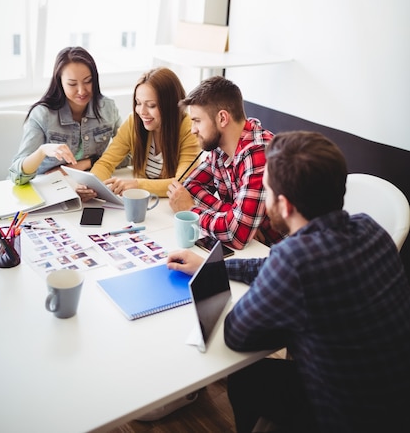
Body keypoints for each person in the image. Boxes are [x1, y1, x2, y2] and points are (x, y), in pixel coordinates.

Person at [167, 131, 410, 433]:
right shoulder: (369, 228)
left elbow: (237, 335)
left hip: (347, 418)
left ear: (284, 205)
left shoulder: (295, 260)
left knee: (247, 377)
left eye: (265, 190)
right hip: (395, 404)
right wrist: (212, 268)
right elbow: (276, 267)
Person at [167, 75, 282, 249]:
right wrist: (231, 214)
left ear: (222, 118)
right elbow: (190, 187)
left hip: (276, 254)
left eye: (197, 121)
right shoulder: (219, 147)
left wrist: (191, 210)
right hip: (254, 249)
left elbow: (236, 235)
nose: (193, 130)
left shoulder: (258, 154)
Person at [79, 67, 200, 200]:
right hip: (142, 202)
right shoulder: (134, 122)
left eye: (151, 105)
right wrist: (91, 185)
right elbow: (106, 163)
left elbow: (182, 183)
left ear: (170, 105)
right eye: (138, 103)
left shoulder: (189, 129)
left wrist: (137, 185)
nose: (142, 111)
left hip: (170, 206)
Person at [9, 47, 123, 185]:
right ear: (60, 82)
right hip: (45, 187)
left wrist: (85, 164)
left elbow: (128, 155)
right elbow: (16, 174)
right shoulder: (42, 115)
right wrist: (42, 151)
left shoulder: (108, 108)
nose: (82, 90)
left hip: (88, 183)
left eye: (88, 81)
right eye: (72, 84)